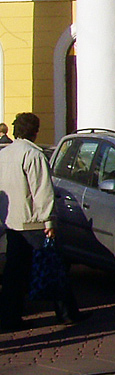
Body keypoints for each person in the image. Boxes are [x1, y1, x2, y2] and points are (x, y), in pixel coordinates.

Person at [0, 112, 81, 329]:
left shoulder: (5, 154)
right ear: (35, 131)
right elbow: (42, 191)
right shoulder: (34, 155)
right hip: (32, 222)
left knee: (13, 273)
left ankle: (9, 317)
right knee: (54, 266)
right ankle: (67, 314)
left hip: (11, 221)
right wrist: (49, 221)